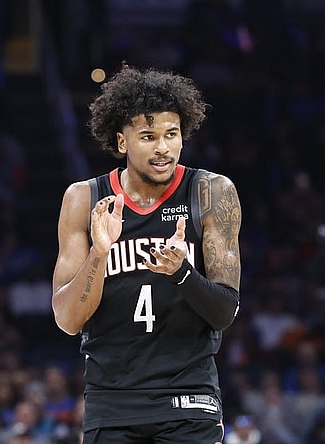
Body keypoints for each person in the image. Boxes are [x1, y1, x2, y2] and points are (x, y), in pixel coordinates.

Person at [51, 65, 242, 443]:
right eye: (148, 136)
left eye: (172, 135)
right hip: (112, 401)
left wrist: (182, 272)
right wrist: (100, 254)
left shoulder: (210, 192)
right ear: (122, 142)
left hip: (189, 398)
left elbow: (224, 313)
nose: (163, 148)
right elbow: (67, 320)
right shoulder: (83, 199)